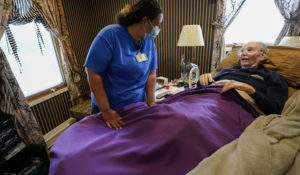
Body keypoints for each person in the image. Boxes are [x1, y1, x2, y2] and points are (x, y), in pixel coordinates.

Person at [84, 0, 163, 129]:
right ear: (144, 21)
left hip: (136, 107)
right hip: (110, 111)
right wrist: (106, 110)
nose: (158, 29)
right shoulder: (109, 36)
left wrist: (151, 101)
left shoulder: (149, 42)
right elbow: (93, 74)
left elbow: (151, 74)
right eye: (157, 25)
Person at [199, 41, 288, 115]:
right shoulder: (226, 71)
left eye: (250, 50)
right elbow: (203, 87)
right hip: (206, 99)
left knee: (195, 118)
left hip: (232, 107)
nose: (243, 53)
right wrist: (202, 80)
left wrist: (250, 90)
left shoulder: (272, 77)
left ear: (262, 55)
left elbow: (275, 109)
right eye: (242, 51)